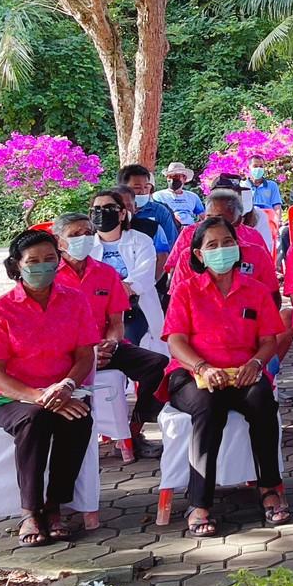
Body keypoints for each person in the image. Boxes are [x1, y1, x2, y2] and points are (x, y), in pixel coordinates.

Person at [164, 217, 288, 535]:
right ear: (199, 254)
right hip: (193, 374)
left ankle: (269, 489)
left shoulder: (256, 290)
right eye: (213, 245)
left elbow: (268, 341)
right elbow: (176, 341)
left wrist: (257, 364)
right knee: (209, 408)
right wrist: (202, 368)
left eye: (228, 242)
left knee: (262, 401)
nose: (222, 249)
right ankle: (199, 504)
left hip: (243, 372)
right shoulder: (186, 291)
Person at [0, 230, 97, 546]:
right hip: (10, 397)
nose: (42, 266)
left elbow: (85, 355)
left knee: (79, 418)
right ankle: (30, 511)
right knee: (35, 418)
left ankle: (54, 506)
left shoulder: (75, 300)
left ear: (59, 261)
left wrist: (67, 386)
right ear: (17, 265)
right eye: (32, 261)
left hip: (63, 390)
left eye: (49, 259)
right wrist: (39, 396)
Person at [55, 213, 167, 459]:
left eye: (87, 233)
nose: (83, 238)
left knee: (158, 364)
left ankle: (134, 430)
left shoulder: (106, 273)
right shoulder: (51, 277)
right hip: (65, 353)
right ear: (59, 242)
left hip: (105, 348)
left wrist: (111, 343)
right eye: (74, 235)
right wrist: (87, 354)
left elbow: (116, 322)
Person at [89, 187, 161, 348]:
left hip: (137, 309)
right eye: (97, 209)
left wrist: (113, 289)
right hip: (98, 311)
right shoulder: (86, 246)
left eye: (109, 208)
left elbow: (144, 275)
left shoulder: (141, 241)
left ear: (122, 214)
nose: (102, 213)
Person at [119, 163, 179, 256]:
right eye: (137, 187)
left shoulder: (160, 211)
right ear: (123, 188)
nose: (143, 192)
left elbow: (171, 245)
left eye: (146, 187)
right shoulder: (114, 212)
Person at [154, 163, 205, 228]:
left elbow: (203, 216)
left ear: (184, 178)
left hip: (190, 229)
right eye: (170, 176)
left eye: (176, 176)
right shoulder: (158, 196)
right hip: (169, 228)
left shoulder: (193, 197)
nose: (172, 179)